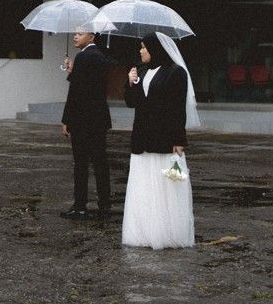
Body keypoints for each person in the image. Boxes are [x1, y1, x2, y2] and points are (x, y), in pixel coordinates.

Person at [122, 31, 200, 249]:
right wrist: (131, 83)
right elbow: (132, 102)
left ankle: (167, 234)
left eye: (144, 47)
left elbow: (177, 109)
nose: (141, 51)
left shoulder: (175, 72)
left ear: (155, 49)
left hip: (164, 138)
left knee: (166, 188)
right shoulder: (141, 71)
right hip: (142, 137)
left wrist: (179, 140)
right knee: (143, 187)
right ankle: (143, 233)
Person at [60, 26, 113, 219]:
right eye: (75, 33)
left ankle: (80, 205)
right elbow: (91, 84)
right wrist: (73, 70)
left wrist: (66, 119)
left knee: (81, 164)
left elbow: (76, 91)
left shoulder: (83, 57)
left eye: (80, 34)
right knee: (100, 163)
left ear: (91, 37)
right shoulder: (100, 56)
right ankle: (104, 205)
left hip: (82, 119)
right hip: (98, 118)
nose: (75, 37)